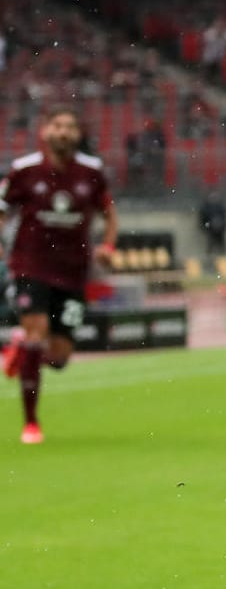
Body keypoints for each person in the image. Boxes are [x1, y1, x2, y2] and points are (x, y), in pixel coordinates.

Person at [0, 107, 118, 443]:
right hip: (31, 265)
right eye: (58, 125)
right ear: (45, 131)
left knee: (59, 357)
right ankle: (31, 424)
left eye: (70, 126)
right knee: (38, 335)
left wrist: (107, 248)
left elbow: (109, 214)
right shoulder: (24, 171)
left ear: (78, 134)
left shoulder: (91, 172)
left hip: (73, 270)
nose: (63, 131)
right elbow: (2, 207)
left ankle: (22, 348)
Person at [197, 187, 226, 258]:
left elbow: (225, 217)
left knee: (221, 243)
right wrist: (207, 225)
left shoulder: (220, 206)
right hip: (210, 229)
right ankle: (210, 256)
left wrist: (220, 224)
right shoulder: (206, 207)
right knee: (211, 242)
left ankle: (222, 256)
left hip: (220, 229)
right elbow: (203, 218)